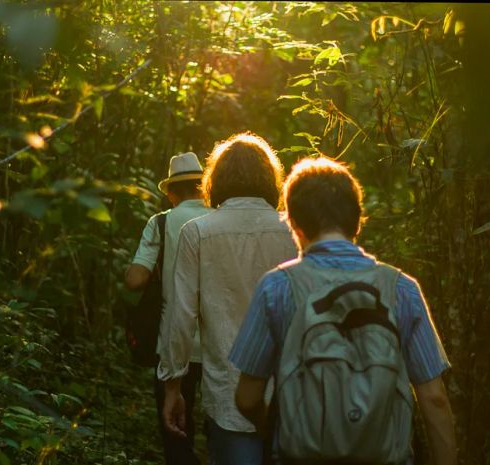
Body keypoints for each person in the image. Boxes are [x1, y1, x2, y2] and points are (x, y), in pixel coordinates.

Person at [229, 157, 457, 465]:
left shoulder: (277, 287)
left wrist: (282, 424)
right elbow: (434, 399)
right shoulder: (402, 289)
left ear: (294, 225)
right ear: (359, 220)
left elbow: (247, 398)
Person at [158, 132, 298, 465]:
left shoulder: (198, 232)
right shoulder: (294, 230)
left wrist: (172, 385)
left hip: (228, 394)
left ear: (215, 180)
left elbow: (180, 316)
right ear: (270, 178)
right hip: (292, 394)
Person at [125, 152, 212, 465]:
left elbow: (136, 280)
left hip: (174, 342)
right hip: (220, 343)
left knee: (175, 429)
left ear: (172, 192)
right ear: (203, 187)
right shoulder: (221, 219)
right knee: (220, 427)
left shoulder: (160, 222)